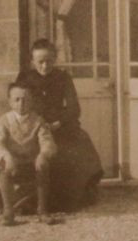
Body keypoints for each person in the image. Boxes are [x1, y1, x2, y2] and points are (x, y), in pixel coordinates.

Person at [14, 38, 106, 211]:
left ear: (55, 59)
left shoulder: (63, 77)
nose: (44, 66)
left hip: (59, 125)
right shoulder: (25, 78)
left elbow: (74, 108)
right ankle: (36, 197)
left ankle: (76, 195)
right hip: (34, 125)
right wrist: (37, 123)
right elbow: (19, 104)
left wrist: (58, 123)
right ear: (32, 61)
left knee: (78, 143)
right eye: (40, 62)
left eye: (48, 61)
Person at [0, 81, 60, 225]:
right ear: (10, 102)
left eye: (26, 100)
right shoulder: (4, 121)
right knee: (3, 165)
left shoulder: (38, 121)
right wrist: (6, 155)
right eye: (17, 99)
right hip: (11, 163)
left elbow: (48, 142)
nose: (21, 103)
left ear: (32, 101)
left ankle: (42, 210)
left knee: (43, 165)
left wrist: (43, 154)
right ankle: (8, 212)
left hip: (31, 163)